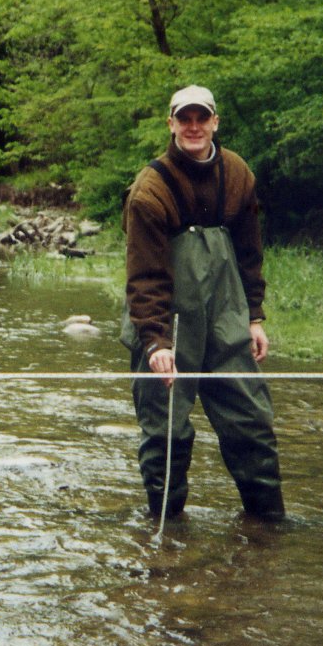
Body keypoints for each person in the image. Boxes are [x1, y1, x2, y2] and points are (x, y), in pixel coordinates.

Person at [121, 85, 284, 522]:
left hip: (226, 319)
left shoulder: (237, 175)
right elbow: (143, 276)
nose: (193, 127)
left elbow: (250, 255)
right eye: (184, 118)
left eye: (201, 118)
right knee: (168, 435)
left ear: (215, 122)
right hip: (165, 323)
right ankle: (166, 535)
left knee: (252, 422)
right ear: (171, 124)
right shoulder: (149, 190)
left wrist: (254, 317)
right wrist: (155, 344)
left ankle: (269, 529)